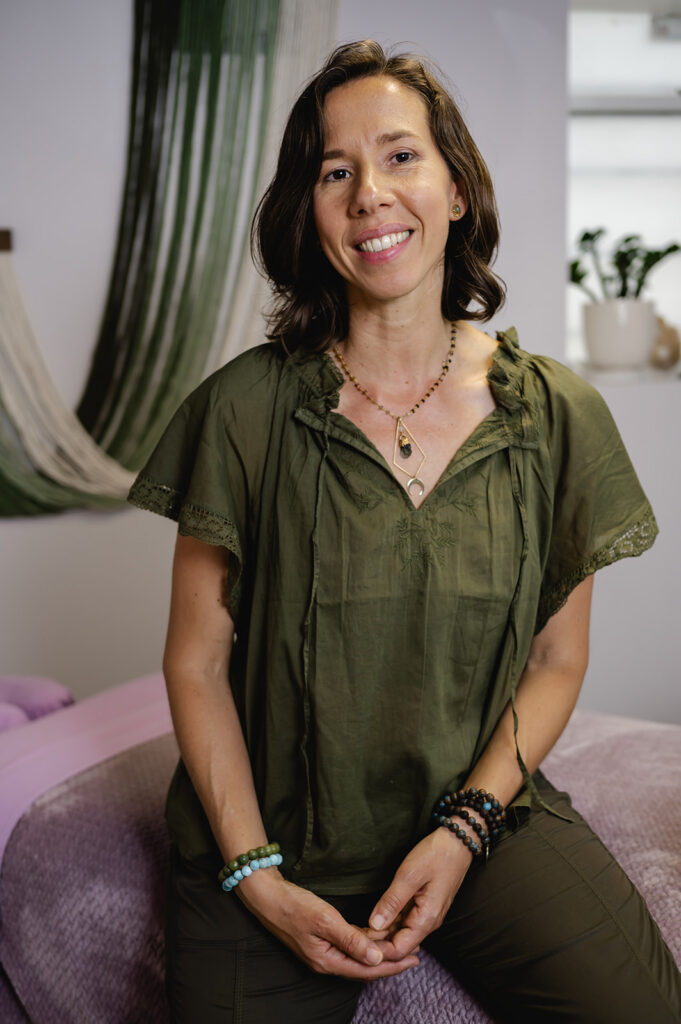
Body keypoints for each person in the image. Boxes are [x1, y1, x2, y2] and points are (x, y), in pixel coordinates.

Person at [128, 39, 681, 1024]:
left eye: (400, 156)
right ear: (310, 211)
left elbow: (556, 657)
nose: (369, 193)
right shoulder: (243, 410)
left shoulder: (557, 414)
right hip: (274, 836)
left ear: (457, 188)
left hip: (478, 817)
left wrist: (464, 829)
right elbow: (199, 664)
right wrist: (253, 872)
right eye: (334, 171)